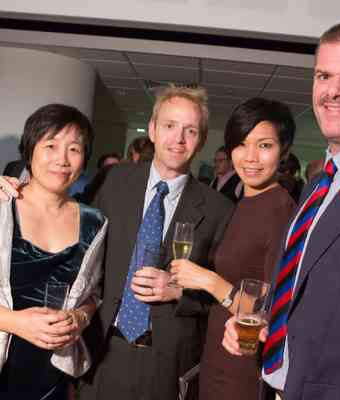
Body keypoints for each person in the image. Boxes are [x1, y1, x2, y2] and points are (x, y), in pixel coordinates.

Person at [222, 21, 340, 400]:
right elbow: (305, 291)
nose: (334, 91)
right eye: (324, 76)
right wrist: (262, 322)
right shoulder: (317, 185)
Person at [77, 85, 233, 400]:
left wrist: (179, 293)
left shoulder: (219, 210)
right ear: (152, 129)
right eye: (169, 125)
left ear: (201, 139)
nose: (178, 139)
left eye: (190, 130)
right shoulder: (113, 180)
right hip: (104, 350)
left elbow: (221, 299)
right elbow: (71, 228)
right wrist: (21, 193)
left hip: (166, 362)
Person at [170, 97, 296, 400]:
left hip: (243, 367)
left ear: (284, 151)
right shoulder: (241, 202)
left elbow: (273, 311)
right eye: (241, 144)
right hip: (216, 355)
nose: (250, 157)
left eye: (264, 145)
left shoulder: (281, 211)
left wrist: (209, 281)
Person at [0, 104, 107, 399]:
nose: (62, 159)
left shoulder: (94, 222)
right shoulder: (2, 206)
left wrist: (80, 318)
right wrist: (15, 322)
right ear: (30, 150)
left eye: (74, 149)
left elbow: (92, 294)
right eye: (51, 146)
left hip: (52, 377)